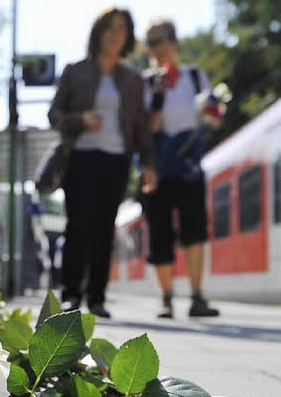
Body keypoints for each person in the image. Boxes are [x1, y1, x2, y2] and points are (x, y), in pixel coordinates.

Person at [48, 7, 155, 318]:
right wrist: (80, 119)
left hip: (116, 160)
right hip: (81, 157)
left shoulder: (133, 80)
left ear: (128, 37)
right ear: (98, 33)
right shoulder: (75, 71)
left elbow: (140, 127)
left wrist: (148, 163)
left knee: (103, 229)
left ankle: (97, 298)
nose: (115, 33)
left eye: (122, 28)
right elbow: (54, 115)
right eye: (109, 27)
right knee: (78, 225)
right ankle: (70, 295)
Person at [142, 19, 220, 318]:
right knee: (159, 232)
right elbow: (148, 127)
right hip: (157, 168)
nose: (157, 48)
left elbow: (212, 118)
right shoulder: (146, 83)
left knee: (195, 231)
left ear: (174, 43)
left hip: (189, 167)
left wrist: (214, 113)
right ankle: (165, 297)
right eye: (151, 43)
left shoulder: (196, 77)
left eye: (161, 40)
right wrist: (159, 95)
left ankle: (197, 296)